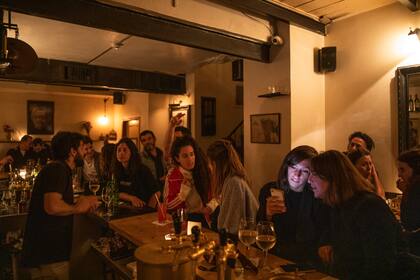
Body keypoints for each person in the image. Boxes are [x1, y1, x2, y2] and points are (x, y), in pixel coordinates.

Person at [308, 150, 419, 280]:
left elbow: (381, 265)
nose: (309, 180)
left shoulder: (369, 206)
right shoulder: (338, 206)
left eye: (314, 174)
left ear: (332, 177)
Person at [22, 132, 98, 279]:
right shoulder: (57, 169)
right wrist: (77, 208)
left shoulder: (58, 168)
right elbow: (52, 206)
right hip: (48, 255)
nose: (86, 152)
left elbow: (56, 203)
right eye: (83, 148)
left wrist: (81, 202)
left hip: (48, 253)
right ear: (72, 151)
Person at [256, 145, 330, 266]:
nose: (297, 174)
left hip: (306, 263)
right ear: (286, 167)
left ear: (312, 174)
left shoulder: (317, 196)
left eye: (305, 171)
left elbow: (321, 236)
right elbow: (259, 234)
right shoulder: (269, 190)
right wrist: (267, 216)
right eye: (293, 167)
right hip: (274, 259)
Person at [206, 139, 258, 234]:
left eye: (209, 163)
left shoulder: (234, 183)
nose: (209, 168)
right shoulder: (230, 181)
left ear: (215, 164)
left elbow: (232, 227)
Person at [163, 136, 214, 226]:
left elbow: (220, 193)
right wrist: (182, 194)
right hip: (184, 219)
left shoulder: (204, 170)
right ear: (177, 158)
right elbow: (167, 206)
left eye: (192, 154)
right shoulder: (173, 174)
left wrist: (211, 206)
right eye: (185, 156)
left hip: (207, 217)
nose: (190, 159)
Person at [112, 138, 160, 208]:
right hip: (125, 207)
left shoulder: (142, 170)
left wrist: (149, 209)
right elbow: (115, 193)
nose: (121, 153)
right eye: (119, 150)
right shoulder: (117, 170)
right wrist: (131, 198)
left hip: (142, 207)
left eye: (125, 150)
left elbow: (157, 192)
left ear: (132, 152)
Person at [397, 149, 420, 256]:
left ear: (415, 169)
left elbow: (409, 221)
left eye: (402, 170)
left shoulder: (416, 187)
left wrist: (406, 191)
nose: (399, 174)